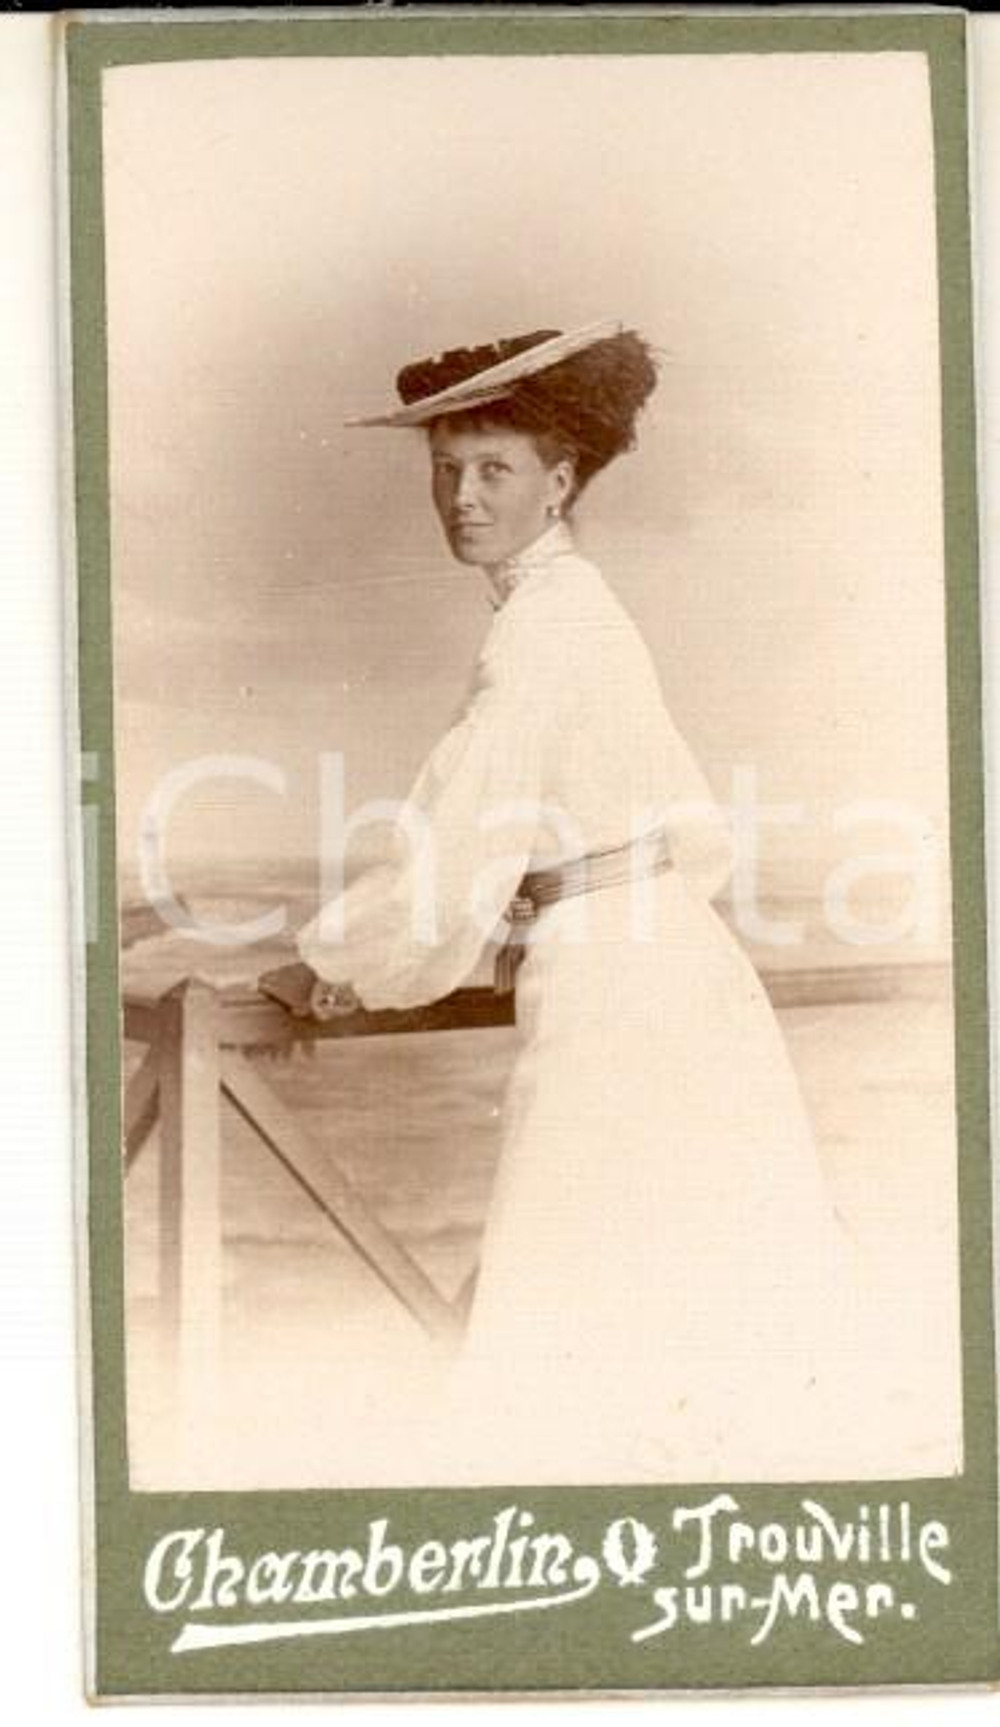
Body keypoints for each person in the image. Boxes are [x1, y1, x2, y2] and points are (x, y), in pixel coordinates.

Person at [261, 320, 869, 1483]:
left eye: (493, 469)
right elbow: (637, 830)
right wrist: (527, 922)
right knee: (679, 1307)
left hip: (618, 997)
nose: (460, 496)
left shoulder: (543, 631)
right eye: (444, 470)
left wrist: (323, 964)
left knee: (581, 1314)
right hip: (673, 968)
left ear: (562, 479)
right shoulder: (574, 608)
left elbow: (453, 843)